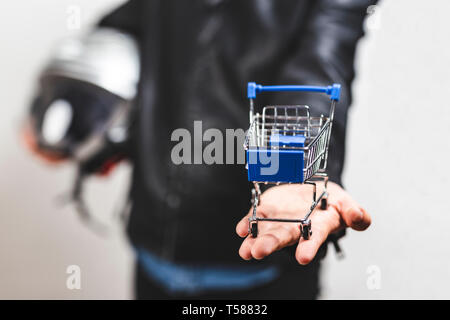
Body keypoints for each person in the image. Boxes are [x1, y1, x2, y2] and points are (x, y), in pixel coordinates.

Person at [24, 0, 375, 299]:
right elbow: (132, 26)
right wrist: (72, 115)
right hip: (151, 251)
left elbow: (314, 74)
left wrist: (293, 175)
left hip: (259, 267)